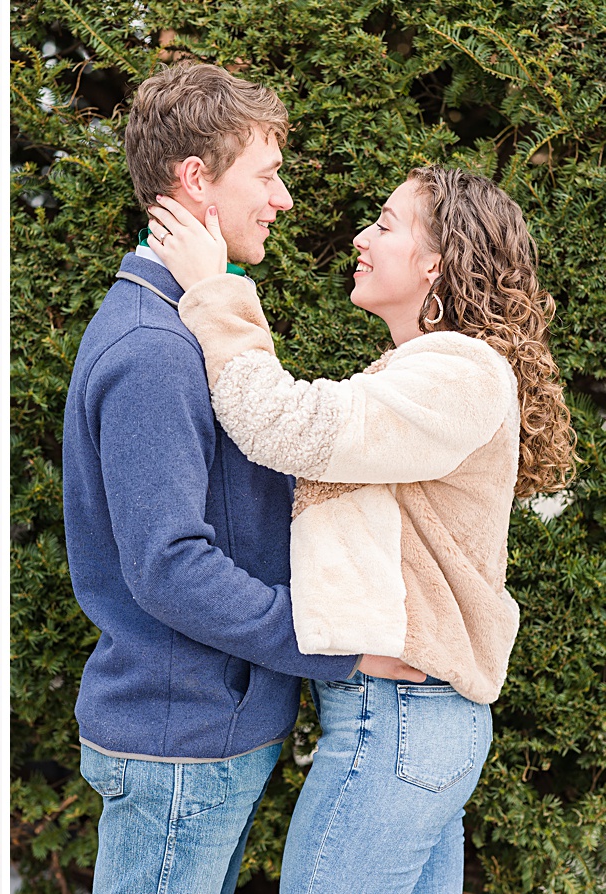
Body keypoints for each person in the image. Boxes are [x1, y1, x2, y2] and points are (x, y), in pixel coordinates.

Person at [145, 164, 575, 891]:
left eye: (384, 223)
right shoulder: (423, 370)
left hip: (402, 719)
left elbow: (280, 424)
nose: (360, 236)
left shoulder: (458, 375)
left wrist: (211, 289)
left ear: (436, 260)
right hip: (409, 720)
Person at [61, 61, 418, 894]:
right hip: (179, 744)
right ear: (197, 182)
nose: (283, 198)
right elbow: (169, 566)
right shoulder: (153, 351)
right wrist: (335, 647)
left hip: (207, 734)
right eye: (267, 174)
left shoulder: (190, 322)